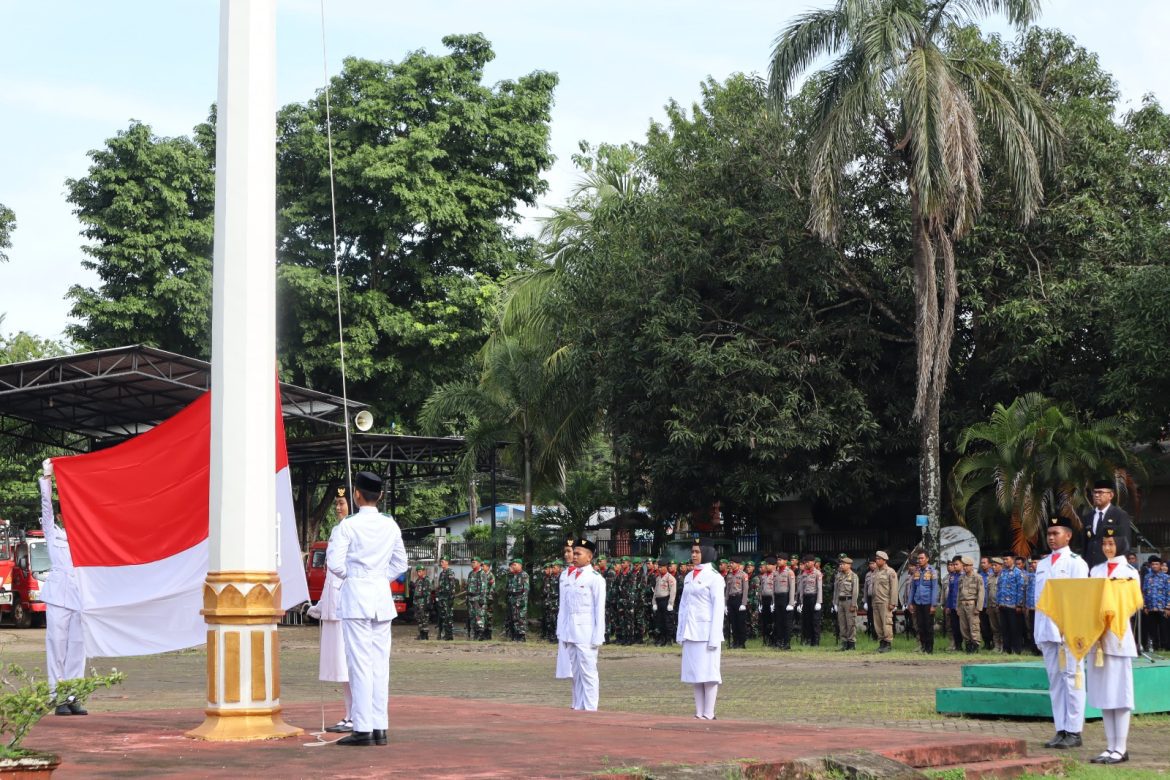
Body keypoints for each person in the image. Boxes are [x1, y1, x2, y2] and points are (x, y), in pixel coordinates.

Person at [326, 471, 408, 747]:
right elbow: (401, 564)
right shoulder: (390, 525)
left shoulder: (348, 526)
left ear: (357, 495)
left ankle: (362, 728)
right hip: (381, 599)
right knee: (380, 665)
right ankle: (379, 726)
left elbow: (335, 564)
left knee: (359, 664)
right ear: (380, 495)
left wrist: (356, 577)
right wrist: (379, 578)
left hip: (357, 599)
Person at [1034, 516, 1089, 750]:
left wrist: (1075, 629)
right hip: (1047, 630)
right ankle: (1061, 728)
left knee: (1073, 679)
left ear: (1068, 536)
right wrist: (1037, 632)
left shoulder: (1076, 563)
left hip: (1069, 631)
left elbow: (1081, 599)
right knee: (1055, 680)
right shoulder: (1043, 564)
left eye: (1056, 533)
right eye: (1049, 534)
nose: (1051, 538)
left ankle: (1074, 730)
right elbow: (1038, 601)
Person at [1087, 534, 1141, 765]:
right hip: (1097, 638)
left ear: (1121, 545)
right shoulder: (1096, 571)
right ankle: (1110, 746)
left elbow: (1131, 604)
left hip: (1117, 635)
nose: (1107, 547)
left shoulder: (1129, 572)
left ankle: (1121, 747)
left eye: (1111, 544)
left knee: (1120, 695)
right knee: (1104, 694)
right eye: (1104, 544)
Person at [38, 462, 87, 716]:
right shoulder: (52, 531)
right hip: (58, 595)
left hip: (80, 594)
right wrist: (47, 477)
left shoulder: (84, 534)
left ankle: (73, 696)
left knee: (77, 647)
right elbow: (45, 508)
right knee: (57, 646)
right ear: (58, 516)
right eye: (63, 512)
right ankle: (57, 698)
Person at [676, 541, 724, 720]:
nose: (693, 555)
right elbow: (683, 606)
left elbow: (718, 608)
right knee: (695, 674)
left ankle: (709, 713)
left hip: (706, 632)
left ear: (706, 553)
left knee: (709, 674)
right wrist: (680, 631)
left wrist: (715, 637)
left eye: (697, 552)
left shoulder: (714, 577)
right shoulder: (689, 576)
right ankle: (699, 712)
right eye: (692, 552)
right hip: (690, 631)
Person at [558, 538, 605, 711]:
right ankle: (578, 707)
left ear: (589, 557)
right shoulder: (569, 576)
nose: (574, 557)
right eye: (574, 553)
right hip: (570, 631)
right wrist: (561, 631)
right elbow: (564, 607)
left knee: (588, 672)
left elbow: (599, 610)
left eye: (578, 554)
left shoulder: (595, 579)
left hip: (587, 632)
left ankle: (591, 708)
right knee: (576, 673)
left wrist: (598, 636)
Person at [1081, 480, 1131, 570]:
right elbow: (1085, 544)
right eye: (1095, 492)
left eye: (1100, 492)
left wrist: (1119, 568)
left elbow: (1124, 543)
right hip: (1090, 567)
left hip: (1110, 566)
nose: (1096, 495)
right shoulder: (1088, 517)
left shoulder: (1119, 515)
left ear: (1111, 495)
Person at [909, 551, 938, 654]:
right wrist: (910, 602)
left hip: (928, 602)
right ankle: (923, 646)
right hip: (918, 602)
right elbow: (913, 588)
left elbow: (934, 588)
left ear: (927, 559)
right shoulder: (916, 572)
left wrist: (933, 604)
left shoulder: (932, 571)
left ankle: (929, 648)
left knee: (928, 626)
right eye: (919, 558)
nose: (920, 560)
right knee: (920, 626)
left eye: (922, 558)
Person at [871, 551, 898, 653]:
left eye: (879, 559)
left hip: (885, 601)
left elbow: (894, 588)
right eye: (876, 559)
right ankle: (881, 643)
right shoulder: (875, 572)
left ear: (884, 560)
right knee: (878, 624)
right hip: (876, 601)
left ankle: (887, 644)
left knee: (886, 623)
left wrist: (893, 602)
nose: (877, 561)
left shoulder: (890, 572)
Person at [957, 556, 984, 653]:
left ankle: (975, 645)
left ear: (971, 566)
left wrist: (978, 608)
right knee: (964, 627)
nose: (965, 568)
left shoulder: (977, 577)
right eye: (964, 566)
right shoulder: (961, 578)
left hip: (972, 605)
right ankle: (968, 644)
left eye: (966, 566)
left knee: (974, 626)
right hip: (962, 604)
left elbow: (981, 593)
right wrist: (958, 607)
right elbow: (959, 594)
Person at [833, 557, 859, 650]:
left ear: (849, 565)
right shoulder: (839, 576)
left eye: (843, 564)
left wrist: (853, 604)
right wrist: (835, 603)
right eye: (841, 564)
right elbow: (836, 590)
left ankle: (851, 643)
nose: (841, 566)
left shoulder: (853, 576)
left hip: (849, 601)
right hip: (840, 601)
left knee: (851, 623)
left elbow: (855, 591)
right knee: (842, 623)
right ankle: (844, 643)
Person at [796, 553, 822, 646]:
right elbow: (801, 589)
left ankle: (816, 641)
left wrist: (819, 602)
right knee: (806, 620)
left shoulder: (817, 573)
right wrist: (801, 602)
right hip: (806, 598)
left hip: (814, 598)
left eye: (808, 562)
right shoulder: (804, 573)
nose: (806, 564)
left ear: (813, 562)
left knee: (815, 621)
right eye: (806, 562)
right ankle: (808, 639)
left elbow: (819, 588)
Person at [771, 555, 796, 650]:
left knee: (786, 622)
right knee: (778, 621)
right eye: (778, 560)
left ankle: (786, 643)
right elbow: (773, 588)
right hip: (777, 598)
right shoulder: (775, 572)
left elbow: (792, 588)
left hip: (785, 597)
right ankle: (779, 641)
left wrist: (791, 603)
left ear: (786, 561)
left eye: (780, 560)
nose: (778, 561)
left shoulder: (789, 572)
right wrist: (773, 602)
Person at [651, 559, 677, 646]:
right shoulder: (658, 578)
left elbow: (673, 591)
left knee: (668, 621)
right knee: (660, 622)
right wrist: (654, 602)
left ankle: (669, 640)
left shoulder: (670, 578)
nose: (659, 569)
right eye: (659, 567)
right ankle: (662, 639)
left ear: (666, 567)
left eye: (661, 567)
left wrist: (670, 603)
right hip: (659, 601)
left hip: (666, 600)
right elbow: (655, 591)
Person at [725, 556, 749, 649]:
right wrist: (725, 604)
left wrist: (743, 603)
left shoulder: (743, 575)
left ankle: (742, 642)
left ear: (738, 564)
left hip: (739, 599)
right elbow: (727, 590)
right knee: (733, 622)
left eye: (732, 563)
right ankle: (735, 641)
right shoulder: (729, 575)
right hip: (731, 599)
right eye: (730, 563)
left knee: (740, 622)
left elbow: (745, 589)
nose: (731, 564)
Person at [505, 558, 529, 641]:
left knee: (520, 618)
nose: (513, 566)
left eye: (515, 565)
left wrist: (522, 600)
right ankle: (515, 635)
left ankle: (521, 636)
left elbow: (525, 589)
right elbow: (508, 588)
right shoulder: (511, 576)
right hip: (512, 600)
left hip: (520, 600)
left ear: (520, 565)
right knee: (513, 618)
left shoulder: (524, 575)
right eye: (512, 565)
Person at [434, 556, 456, 640]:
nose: (441, 563)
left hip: (447, 598)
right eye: (441, 562)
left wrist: (451, 598)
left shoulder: (450, 572)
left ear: (447, 562)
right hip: (442, 598)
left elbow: (452, 586)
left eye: (443, 562)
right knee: (442, 616)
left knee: (448, 616)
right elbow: (440, 586)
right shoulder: (441, 573)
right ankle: (444, 634)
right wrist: (438, 596)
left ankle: (449, 635)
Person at [411, 564, 432, 640]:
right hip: (418, 602)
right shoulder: (418, 580)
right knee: (419, 618)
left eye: (420, 571)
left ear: (423, 571)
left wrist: (427, 603)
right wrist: (414, 603)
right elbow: (416, 592)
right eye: (418, 571)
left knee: (424, 619)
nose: (419, 573)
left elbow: (428, 593)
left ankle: (425, 635)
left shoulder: (426, 580)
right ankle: (421, 634)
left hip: (423, 602)